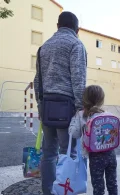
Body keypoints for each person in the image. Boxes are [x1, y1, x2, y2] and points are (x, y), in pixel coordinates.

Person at [33, 11, 87, 195]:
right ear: (77, 29)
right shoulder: (75, 44)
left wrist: (40, 106)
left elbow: (37, 80)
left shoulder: (44, 47)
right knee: (69, 153)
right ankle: (66, 191)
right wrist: (81, 108)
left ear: (57, 26)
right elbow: (78, 79)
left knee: (48, 153)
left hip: (47, 105)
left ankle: (48, 191)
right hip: (67, 107)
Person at [69, 85, 118, 195]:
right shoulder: (107, 114)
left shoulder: (81, 114)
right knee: (112, 183)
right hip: (111, 154)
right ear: (102, 100)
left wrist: (75, 121)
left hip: (95, 157)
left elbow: (74, 133)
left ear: (84, 99)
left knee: (98, 187)